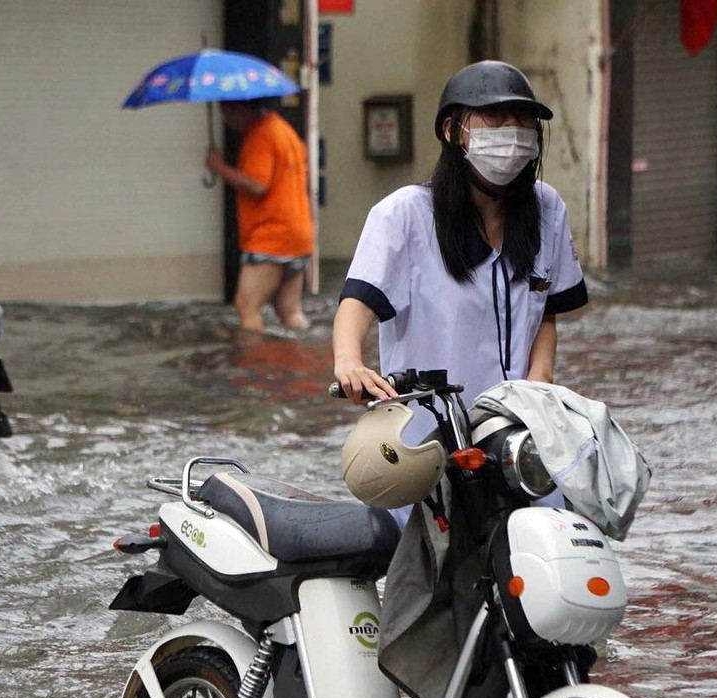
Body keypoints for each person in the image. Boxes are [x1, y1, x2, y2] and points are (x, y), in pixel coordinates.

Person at [331, 61, 588, 436]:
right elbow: (357, 302)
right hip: (426, 438)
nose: (512, 131)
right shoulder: (405, 215)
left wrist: (539, 387)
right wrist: (349, 361)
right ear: (453, 131)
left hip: (517, 438)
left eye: (522, 119)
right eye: (495, 117)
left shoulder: (546, 208)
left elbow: (545, 313)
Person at [205, 99, 314, 332]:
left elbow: (257, 185)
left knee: (247, 307)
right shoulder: (283, 129)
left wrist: (219, 167)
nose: (225, 119)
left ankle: (254, 366)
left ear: (239, 108)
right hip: (298, 234)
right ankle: (303, 359)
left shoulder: (260, 136)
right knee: (290, 312)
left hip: (271, 237)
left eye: (226, 112)